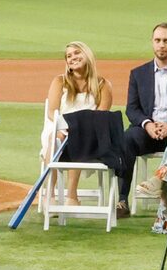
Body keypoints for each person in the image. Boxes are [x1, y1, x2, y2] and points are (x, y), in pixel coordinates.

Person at [40, 41, 127, 209]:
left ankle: (72, 195)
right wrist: (65, 126)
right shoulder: (59, 82)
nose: (73, 58)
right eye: (69, 56)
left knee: (78, 139)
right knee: (56, 137)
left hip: (90, 133)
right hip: (60, 128)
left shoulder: (103, 85)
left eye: (76, 53)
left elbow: (102, 117)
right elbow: (52, 112)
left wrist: (78, 129)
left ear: (87, 54)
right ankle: (49, 194)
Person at [124, 22, 167, 216]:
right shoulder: (138, 74)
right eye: (158, 40)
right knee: (126, 139)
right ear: (152, 42)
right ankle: (121, 200)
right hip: (147, 130)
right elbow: (132, 109)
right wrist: (148, 124)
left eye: (166, 41)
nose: (161, 45)